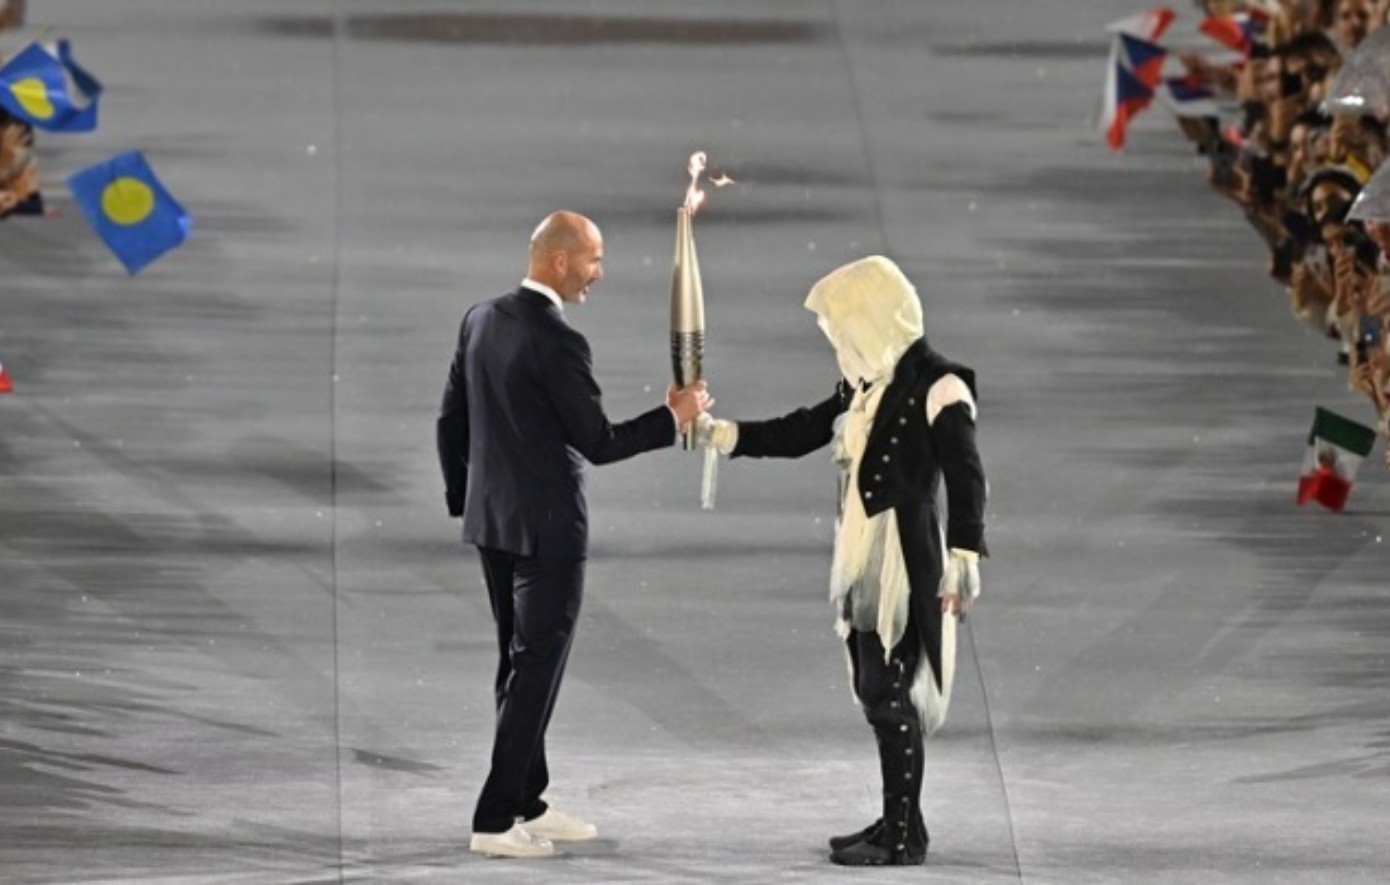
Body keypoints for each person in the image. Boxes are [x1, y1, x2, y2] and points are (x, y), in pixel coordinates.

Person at [695, 255, 988, 866]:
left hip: (902, 560)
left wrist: (964, 555)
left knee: (889, 690)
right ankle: (900, 820)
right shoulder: (866, 384)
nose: (841, 346)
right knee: (872, 685)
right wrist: (725, 435)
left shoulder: (941, 386)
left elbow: (966, 474)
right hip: (862, 554)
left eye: (846, 329)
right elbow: (800, 430)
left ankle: (902, 837)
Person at [437, 210, 711, 859]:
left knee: (517, 662)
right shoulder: (558, 341)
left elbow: (450, 420)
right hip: (549, 534)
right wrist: (673, 416)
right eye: (594, 260)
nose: (599, 273)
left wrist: (465, 498)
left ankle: (526, 797)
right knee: (535, 669)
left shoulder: (480, 318)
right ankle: (494, 817)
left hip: (493, 524)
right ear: (560, 261)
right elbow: (599, 441)